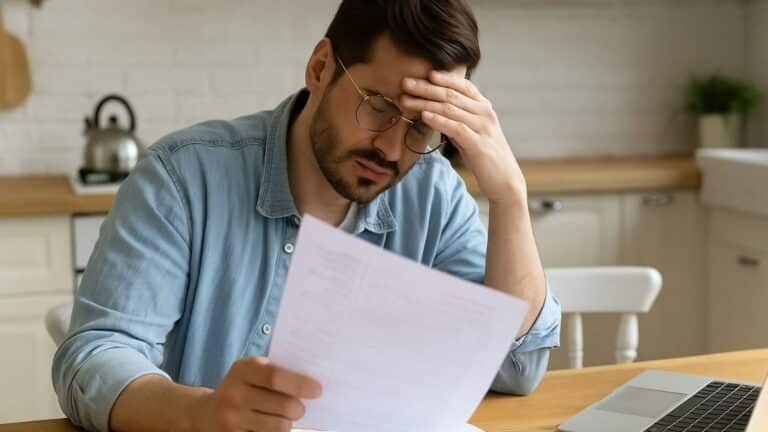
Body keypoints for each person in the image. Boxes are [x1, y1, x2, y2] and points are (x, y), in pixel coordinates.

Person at [52, 1, 561, 431]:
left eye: (419, 128)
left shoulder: (434, 194)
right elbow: (93, 356)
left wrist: (510, 197)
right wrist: (203, 414)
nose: (389, 148)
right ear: (320, 67)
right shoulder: (184, 177)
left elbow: (516, 368)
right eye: (379, 106)